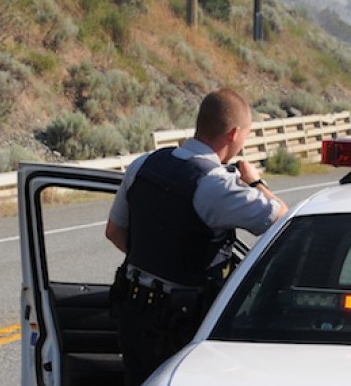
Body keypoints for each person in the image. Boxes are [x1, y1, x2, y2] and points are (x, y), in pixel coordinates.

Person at [104, 88, 288, 385]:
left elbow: (114, 232)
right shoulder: (215, 186)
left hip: (133, 311)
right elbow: (282, 218)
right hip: (183, 322)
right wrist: (255, 181)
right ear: (234, 134)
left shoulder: (144, 164)